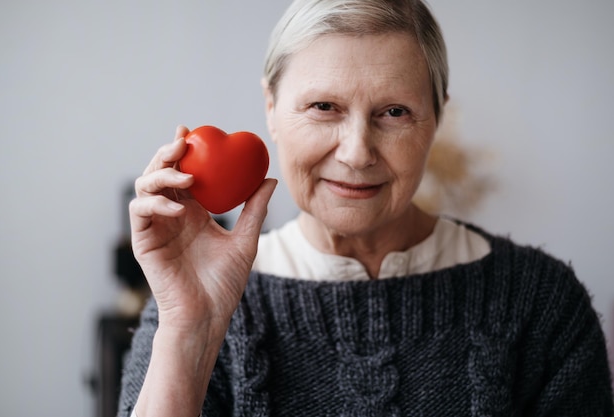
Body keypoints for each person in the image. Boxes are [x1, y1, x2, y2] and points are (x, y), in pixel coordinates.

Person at [118, 0, 613, 415]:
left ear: (436, 116)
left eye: (394, 112)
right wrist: (191, 329)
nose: (356, 152)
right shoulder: (192, 307)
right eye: (324, 107)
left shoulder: (541, 304)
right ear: (271, 107)